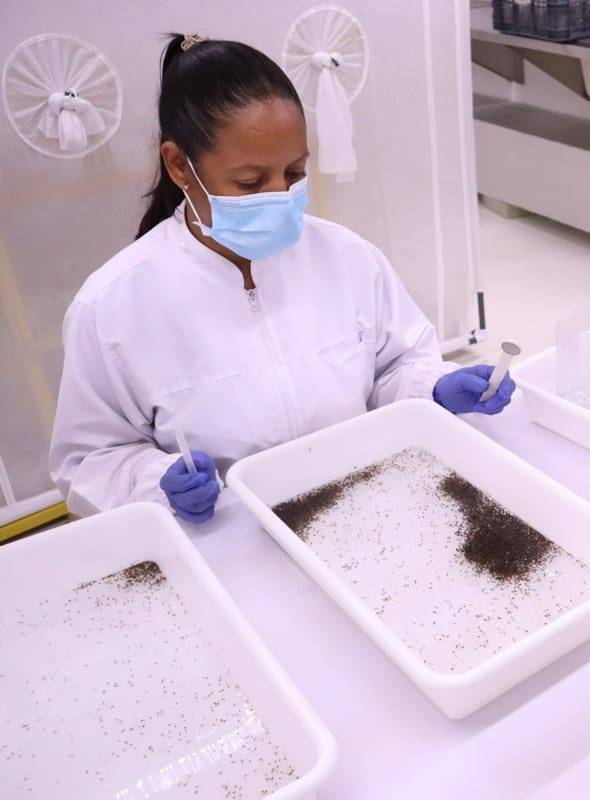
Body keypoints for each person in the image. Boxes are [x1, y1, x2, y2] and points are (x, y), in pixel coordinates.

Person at [48, 34, 515, 524]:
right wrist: (155, 485)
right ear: (180, 165)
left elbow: (393, 367)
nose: (279, 195)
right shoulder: (113, 307)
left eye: (294, 174)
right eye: (251, 182)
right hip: (233, 534)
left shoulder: (349, 259)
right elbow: (90, 461)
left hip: (365, 508)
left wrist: (431, 387)